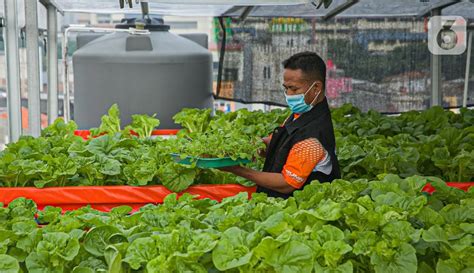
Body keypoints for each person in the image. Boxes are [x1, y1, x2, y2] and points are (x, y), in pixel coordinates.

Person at [220, 51, 341, 198]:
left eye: (294, 89)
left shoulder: (312, 139)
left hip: (294, 207)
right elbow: (278, 143)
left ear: (316, 88)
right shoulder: (303, 113)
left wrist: (237, 169)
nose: (289, 95)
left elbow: (286, 184)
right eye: (286, 88)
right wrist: (246, 148)